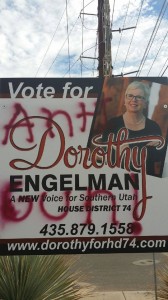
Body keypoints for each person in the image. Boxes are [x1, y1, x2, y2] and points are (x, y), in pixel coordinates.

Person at [102, 80, 165, 177]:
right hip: (116, 182)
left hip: (145, 186)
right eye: (130, 96)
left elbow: (159, 161)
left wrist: (157, 148)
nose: (134, 100)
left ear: (145, 103)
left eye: (139, 97)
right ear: (125, 100)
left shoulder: (154, 127)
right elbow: (102, 158)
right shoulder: (112, 125)